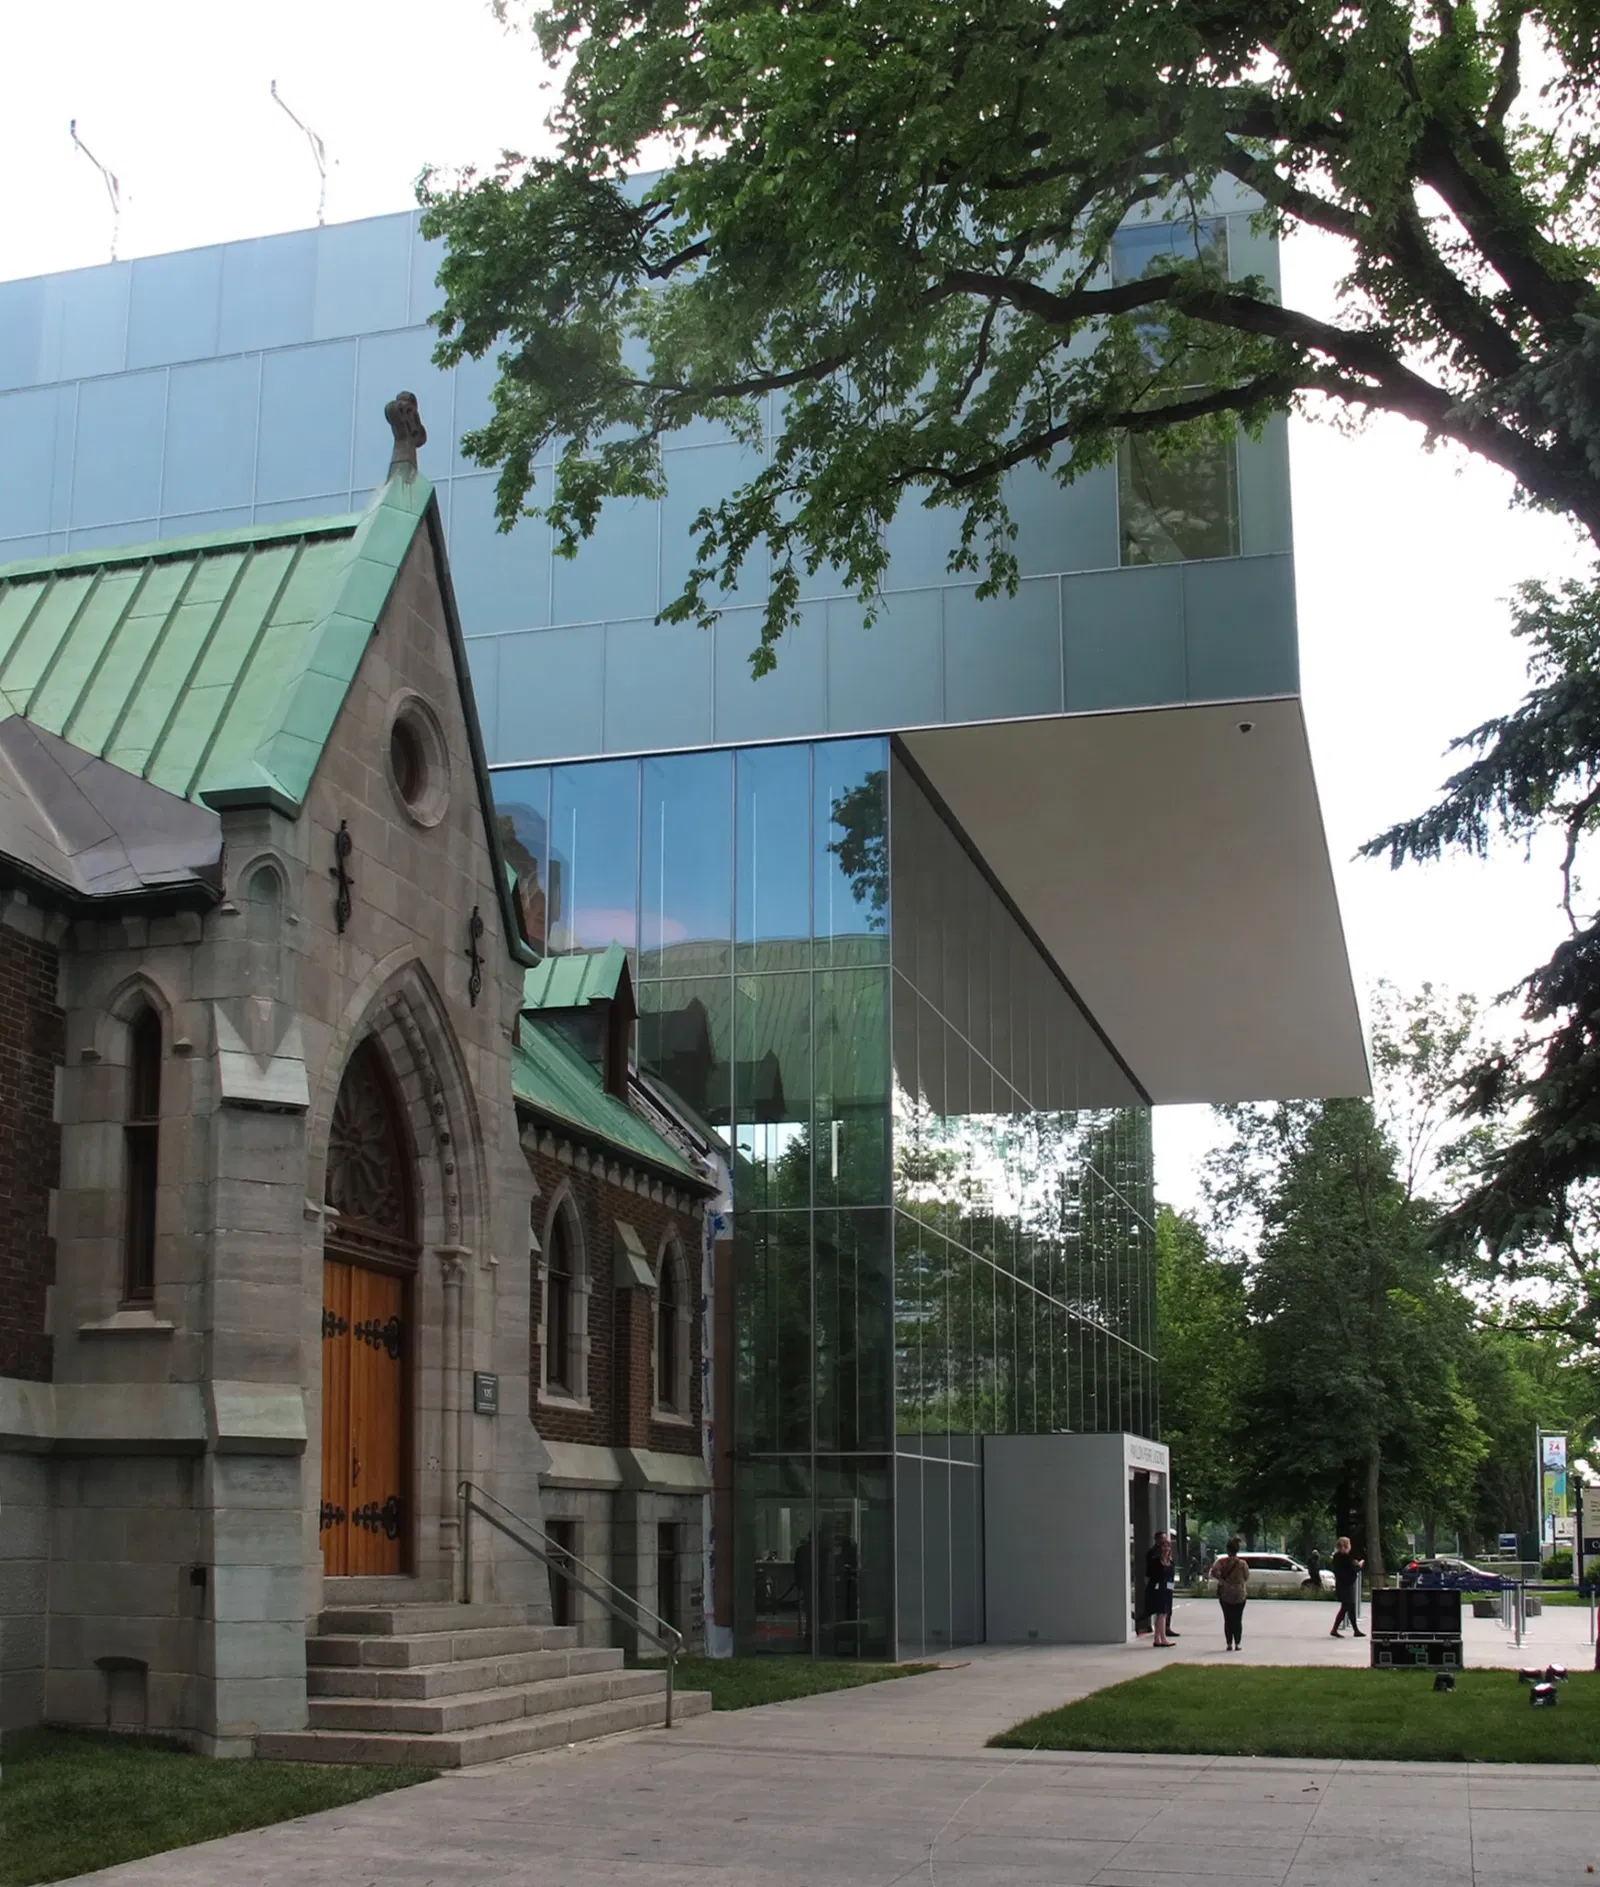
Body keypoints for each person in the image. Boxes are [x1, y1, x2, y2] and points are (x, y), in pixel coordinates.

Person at [1210, 1535, 1250, 1650]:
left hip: (1225, 1593)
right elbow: (1246, 1577)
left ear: (1227, 1550)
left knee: (1227, 1619)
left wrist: (1222, 1580)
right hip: (1239, 1594)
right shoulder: (1242, 1564)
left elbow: (1214, 1572)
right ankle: (1237, 1643)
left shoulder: (1221, 1562)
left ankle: (1228, 1643)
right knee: (1238, 1619)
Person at [1145, 1532, 1178, 1647]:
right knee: (1161, 1613)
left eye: (1168, 1546)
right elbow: (1151, 1575)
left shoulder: (1171, 1563)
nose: (1166, 1549)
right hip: (1158, 1590)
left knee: (1163, 1613)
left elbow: (1171, 1578)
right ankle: (1161, 1638)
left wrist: (1171, 1589)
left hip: (1167, 1590)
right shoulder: (1155, 1561)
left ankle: (1158, 1639)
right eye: (1164, 1546)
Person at [1329, 1535, 1365, 1637]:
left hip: (1341, 1584)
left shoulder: (1336, 1557)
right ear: (1346, 1546)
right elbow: (1354, 1569)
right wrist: (1360, 1565)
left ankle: (1355, 1630)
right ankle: (1335, 1629)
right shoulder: (1347, 1558)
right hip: (1347, 1585)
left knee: (1350, 1607)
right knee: (1346, 1607)